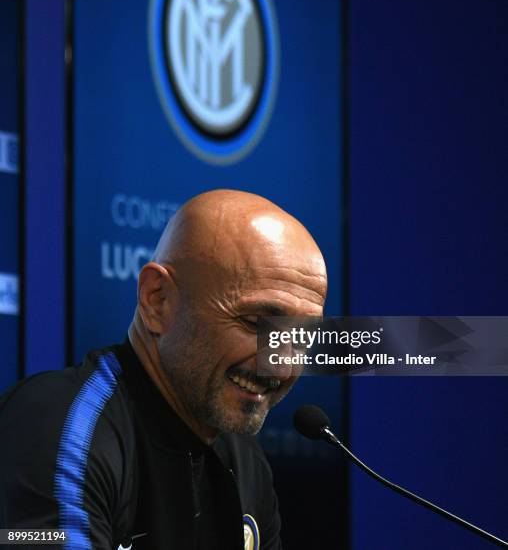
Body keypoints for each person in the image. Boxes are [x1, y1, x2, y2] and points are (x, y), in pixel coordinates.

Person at [0, 189, 327, 550]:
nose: (281, 368)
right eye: (254, 323)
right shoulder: (60, 432)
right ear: (158, 300)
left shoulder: (245, 462)